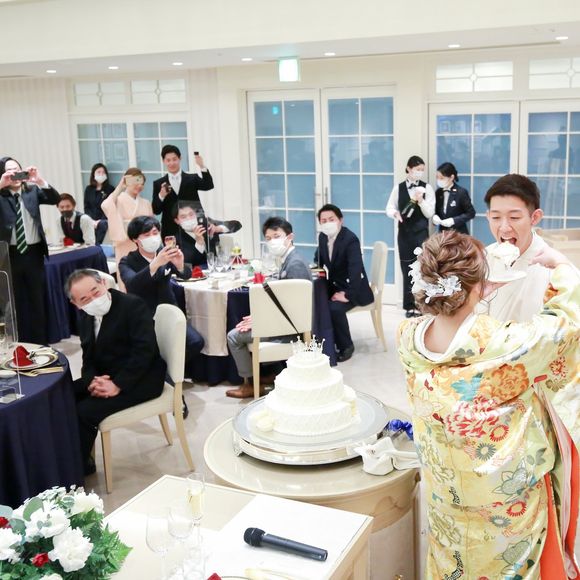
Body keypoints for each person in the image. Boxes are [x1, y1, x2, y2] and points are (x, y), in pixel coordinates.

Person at [397, 231, 579, 579]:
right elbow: (565, 324)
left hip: (447, 493)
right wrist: (561, 266)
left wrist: (474, 292)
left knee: (453, 563)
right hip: (504, 500)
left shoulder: (407, 337)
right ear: (476, 284)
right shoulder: (505, 344)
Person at [66, 269, 166, 475]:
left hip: (142, 378)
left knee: (84, 412)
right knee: (63, 396)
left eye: (95, 291)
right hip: (107, 375)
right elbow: (88, 358)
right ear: (76, 304)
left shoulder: (132, 306)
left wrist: (117, 384)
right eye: (85, 299)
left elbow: (144, 352)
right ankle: (67, 457)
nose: (94, 300)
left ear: (103, 283)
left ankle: (77, 470)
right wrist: (92, 381)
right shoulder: (86, 318)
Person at [226, 216, 311, 398]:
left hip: (290, 329)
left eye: (276, 236)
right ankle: (269, 373)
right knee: (244, 324)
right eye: (268, 238)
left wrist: (261, 321)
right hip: (284, 322)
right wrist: (259, 318)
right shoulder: (290, 259)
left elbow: (295, 309)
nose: (272, 241)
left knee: (233, 336)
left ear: (290, 237)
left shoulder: (295, 264)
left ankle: (250, 384)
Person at [119, 216, 204, 385]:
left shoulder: (164, 253)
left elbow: (185, 275)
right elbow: (132, 285)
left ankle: (167, 374)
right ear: (135, 239)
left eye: (155, 232)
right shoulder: (127, 261)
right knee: (155, 351)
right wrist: (155, 264)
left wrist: (179, 265)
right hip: (144, 316)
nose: (153, 237)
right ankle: (164, 381)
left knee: (196, 342)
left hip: (170, 311)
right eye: (147, 234)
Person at [0, 157, 59, 344]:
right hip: (10, 255)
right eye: (9, 170)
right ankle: (23, 342)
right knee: (16, 302)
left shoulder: (31, 191)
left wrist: (39, 180)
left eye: (17, 169)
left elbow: (55, 198)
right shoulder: (1, 195)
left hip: (34, 253)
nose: (14, 174)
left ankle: (41, 343)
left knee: (37, 300)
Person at [482, 174, 551, 322]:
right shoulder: (483, 258)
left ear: (535, 217)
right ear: (488, 216)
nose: (504, 228)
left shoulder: (553, 268)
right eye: (496, 218)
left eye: (514, 218)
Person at [314, 204, 373, 363]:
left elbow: (356, 271)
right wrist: (315, 270)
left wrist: (347, 295)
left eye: (331, 219)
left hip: (354, 288)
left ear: (340, 220)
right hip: (335, 284)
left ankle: (346, 346)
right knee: (317, 302)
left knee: (334, 308)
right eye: (323, 221)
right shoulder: (322, 237)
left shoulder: (350, 240)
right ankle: (326, 341)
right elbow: (318, 259)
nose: (328, 223)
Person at [386, 155, 435, 318]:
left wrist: (420, 201)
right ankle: (409, 305)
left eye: (422, 170)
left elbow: (430, 213)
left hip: (421, 233)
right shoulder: (398, 188)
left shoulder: (427, 188)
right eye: (417, 169)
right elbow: (389, 207)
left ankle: (422, 304)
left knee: (422, 268)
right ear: (409, 169)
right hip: (404, 233)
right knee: (406, 267)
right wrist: (394, 213)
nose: (420, 172)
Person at [101, 167, 153, 287]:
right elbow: (105, 205)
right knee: (127, 279)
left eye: (142, 183)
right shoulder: (117, 200)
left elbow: (152, 224)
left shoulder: (145, 203)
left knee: (145, 278)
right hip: (124, 243)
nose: (139, 186)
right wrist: (120, 187)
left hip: (143, 245)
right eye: (135, 181)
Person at [151, 145, 214, 238]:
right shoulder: (159, 183)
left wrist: (202, 166)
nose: (172, 163)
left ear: (180, 158)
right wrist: (161, 195)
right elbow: (156, 210)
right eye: (168, 160)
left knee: (199, 247)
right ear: (164, 161)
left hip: (194, 226)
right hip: (170, 229)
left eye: (174, 159)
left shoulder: (192, 178)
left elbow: (209, 185)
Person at [173, 202, 242, 267]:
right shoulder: (177, 240)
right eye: (183, 217)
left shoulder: (205, 225)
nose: (189, 219)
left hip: (219, 269)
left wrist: (218, 228)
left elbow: (237, 225)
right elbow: (188, 265)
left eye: (191, 214)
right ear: (177, 221)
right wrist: (199, 243)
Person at [432, 162, 475, 235]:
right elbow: (437, 211)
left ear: (451, 177)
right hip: (443, 233)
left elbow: (471, 213)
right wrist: (435, 217)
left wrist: (453, 220)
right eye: (437, 177)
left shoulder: (461, 192)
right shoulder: (438, 192)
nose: (439, 180)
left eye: (442, 178)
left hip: (459, 233)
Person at [84, 163, 114, 245]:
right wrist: (91, 220)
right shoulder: (89, 189)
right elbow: (87, 207)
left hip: (104, 220)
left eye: (103, 172)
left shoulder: (110, 189)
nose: (101, 174)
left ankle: (98, 246)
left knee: (102, 225)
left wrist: (99, 221)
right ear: (93, 174)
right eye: (98, 172)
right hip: (91, 219)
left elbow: (110, 207)